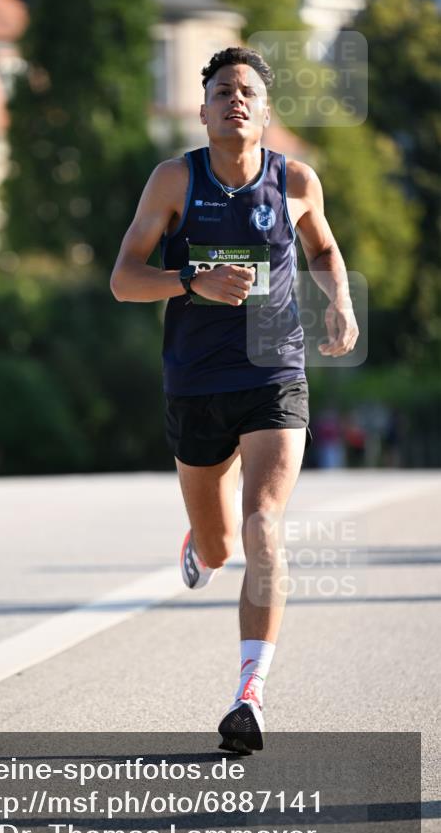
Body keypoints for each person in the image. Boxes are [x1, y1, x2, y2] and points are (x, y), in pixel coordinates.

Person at [110, 46, 358, 754]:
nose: (235, 100)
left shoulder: (296, 179)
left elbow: (322, 250)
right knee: (220, 544)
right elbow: (124, 280)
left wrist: (337, 301)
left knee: (263, 525)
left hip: (273, 372)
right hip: (194, 381)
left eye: (247, 91)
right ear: (203, 109)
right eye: (222, 91)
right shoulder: (173, 181)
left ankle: (249, 692)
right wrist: (191, 280)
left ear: (266, 110)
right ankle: (201, 540)